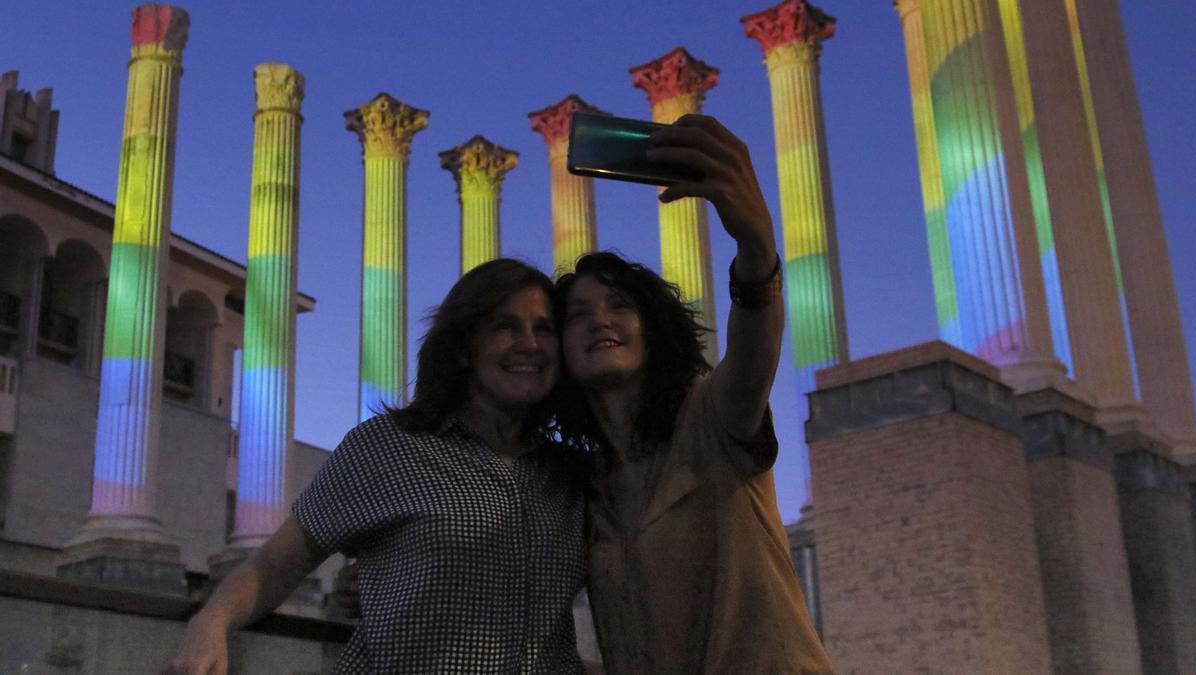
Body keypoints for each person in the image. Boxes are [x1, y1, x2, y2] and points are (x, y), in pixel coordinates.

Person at [164, 259, 587, 674]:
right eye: (505, 326)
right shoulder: (389, 447)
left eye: (543, 329)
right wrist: (211, 622)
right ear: (463, 348)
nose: (529, 344)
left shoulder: (572, 473)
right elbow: (278, 562)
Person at [553, 114, 836, 673]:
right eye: (576, 315)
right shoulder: (584, 485)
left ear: (654, 329)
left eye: (619, 306)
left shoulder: (711, 416)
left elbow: (755, 351)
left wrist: (756, 245)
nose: (598, 321)